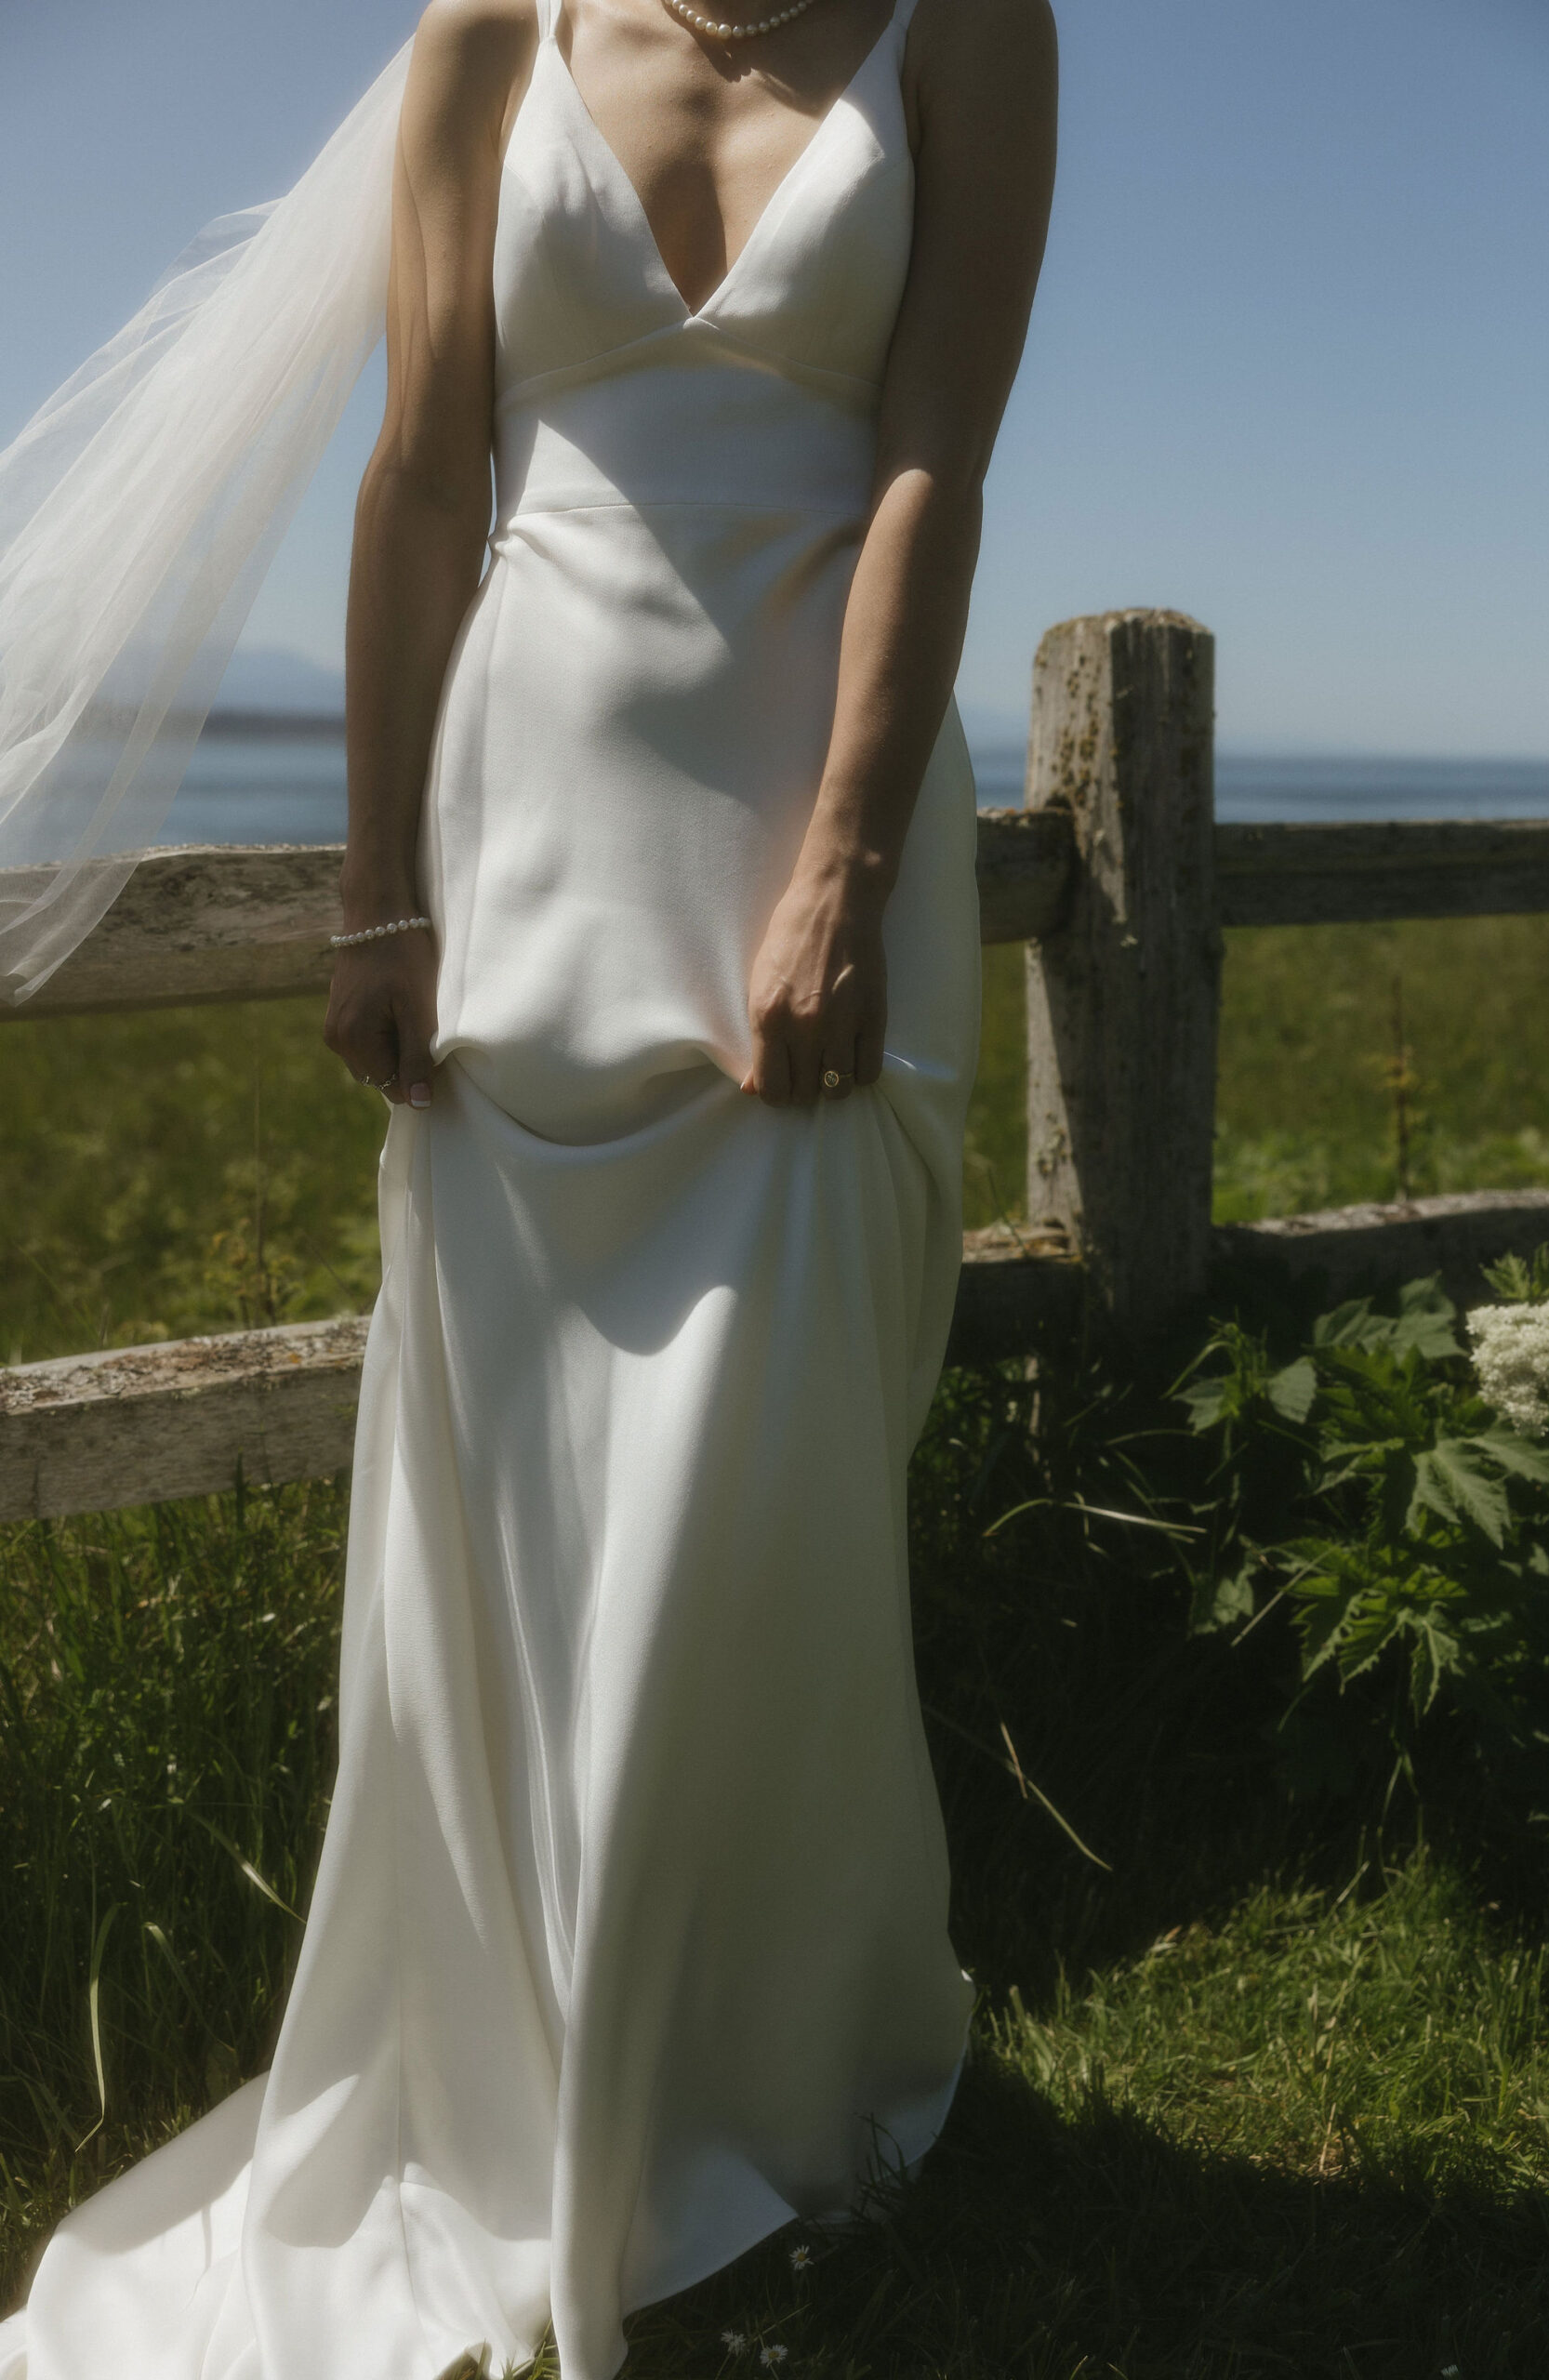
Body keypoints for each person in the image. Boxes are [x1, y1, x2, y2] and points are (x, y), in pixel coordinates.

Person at [0, 0, 1054, 2371]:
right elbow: (420, 466)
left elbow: (928, 465)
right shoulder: (494, 28)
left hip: (812, 830)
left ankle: (763, 2086)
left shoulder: (973, 29)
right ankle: (493, 2104)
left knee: (762, 1489)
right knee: (506, 1508)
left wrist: (835, 869)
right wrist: (378, 889)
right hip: (526, 843)